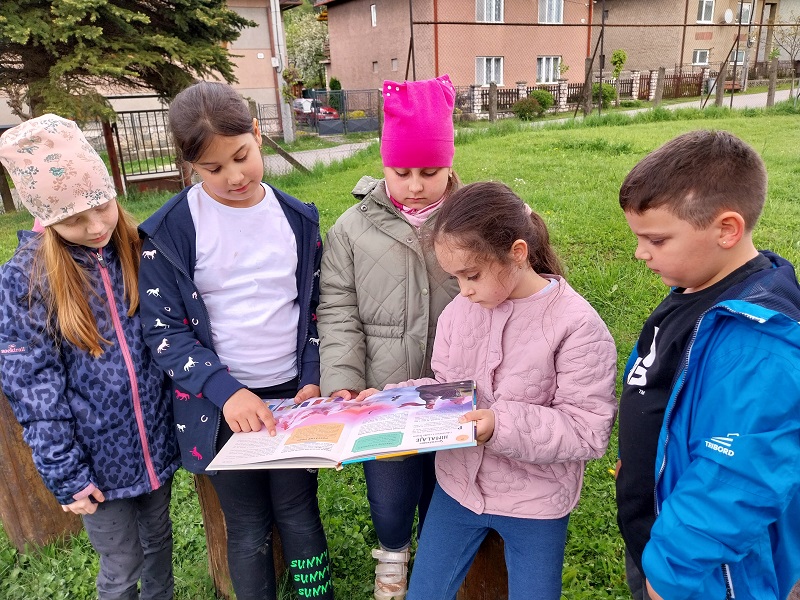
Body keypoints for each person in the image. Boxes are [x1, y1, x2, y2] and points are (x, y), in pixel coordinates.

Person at [359, 182, 618, 600]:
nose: (463, 289)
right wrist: (390, 400)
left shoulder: (578, 326)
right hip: (458, 489)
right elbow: (448, 389)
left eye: (472, 275)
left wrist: (499, 425)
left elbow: (587, 430)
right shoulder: (459, 312)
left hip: (536, 502)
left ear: (518, 253)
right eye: (456, 277)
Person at [137, 81, 332, 600]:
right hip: (219, 406)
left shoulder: (298, 219)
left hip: (292, 397)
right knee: (246, 526)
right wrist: (227, 393)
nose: (235, 177)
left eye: (241, 156)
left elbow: (316, 307)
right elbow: (164, 332)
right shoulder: (170, 231)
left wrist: (313, 376)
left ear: (257, 134)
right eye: (213, 168)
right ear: (190, 167)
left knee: (299, 511)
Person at [0, 114, 179, 600]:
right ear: (46, 218)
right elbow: (33, 386)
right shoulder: (26, 279)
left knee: (159, 542)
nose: (97, 226)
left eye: (102, 206)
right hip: (94, 462)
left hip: (154, 444)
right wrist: (65, 471)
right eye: (74, 219)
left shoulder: (136, 248)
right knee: (121, 565)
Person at [615, 130, 800, 600]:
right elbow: (659, 380)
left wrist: (671, 571)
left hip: (703, 572)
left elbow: (737, 477)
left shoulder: (756, 345)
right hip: (658, 535)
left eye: (656, 239)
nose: (640, 253)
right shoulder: (695, 290)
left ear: (726, 230)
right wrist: (640, 460)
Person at [316, 74, 461, 599]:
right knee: (391, 493)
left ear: (450, 163)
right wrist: (343, 378)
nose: (415, 185)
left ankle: (440, 561)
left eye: (430, 172)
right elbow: (337, 309)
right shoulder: (350, 229)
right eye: (402, 172)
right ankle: (393, 557)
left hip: (453, 393)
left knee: (447, 489)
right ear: (384, 164)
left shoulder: (471, 220)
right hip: (382, 393)